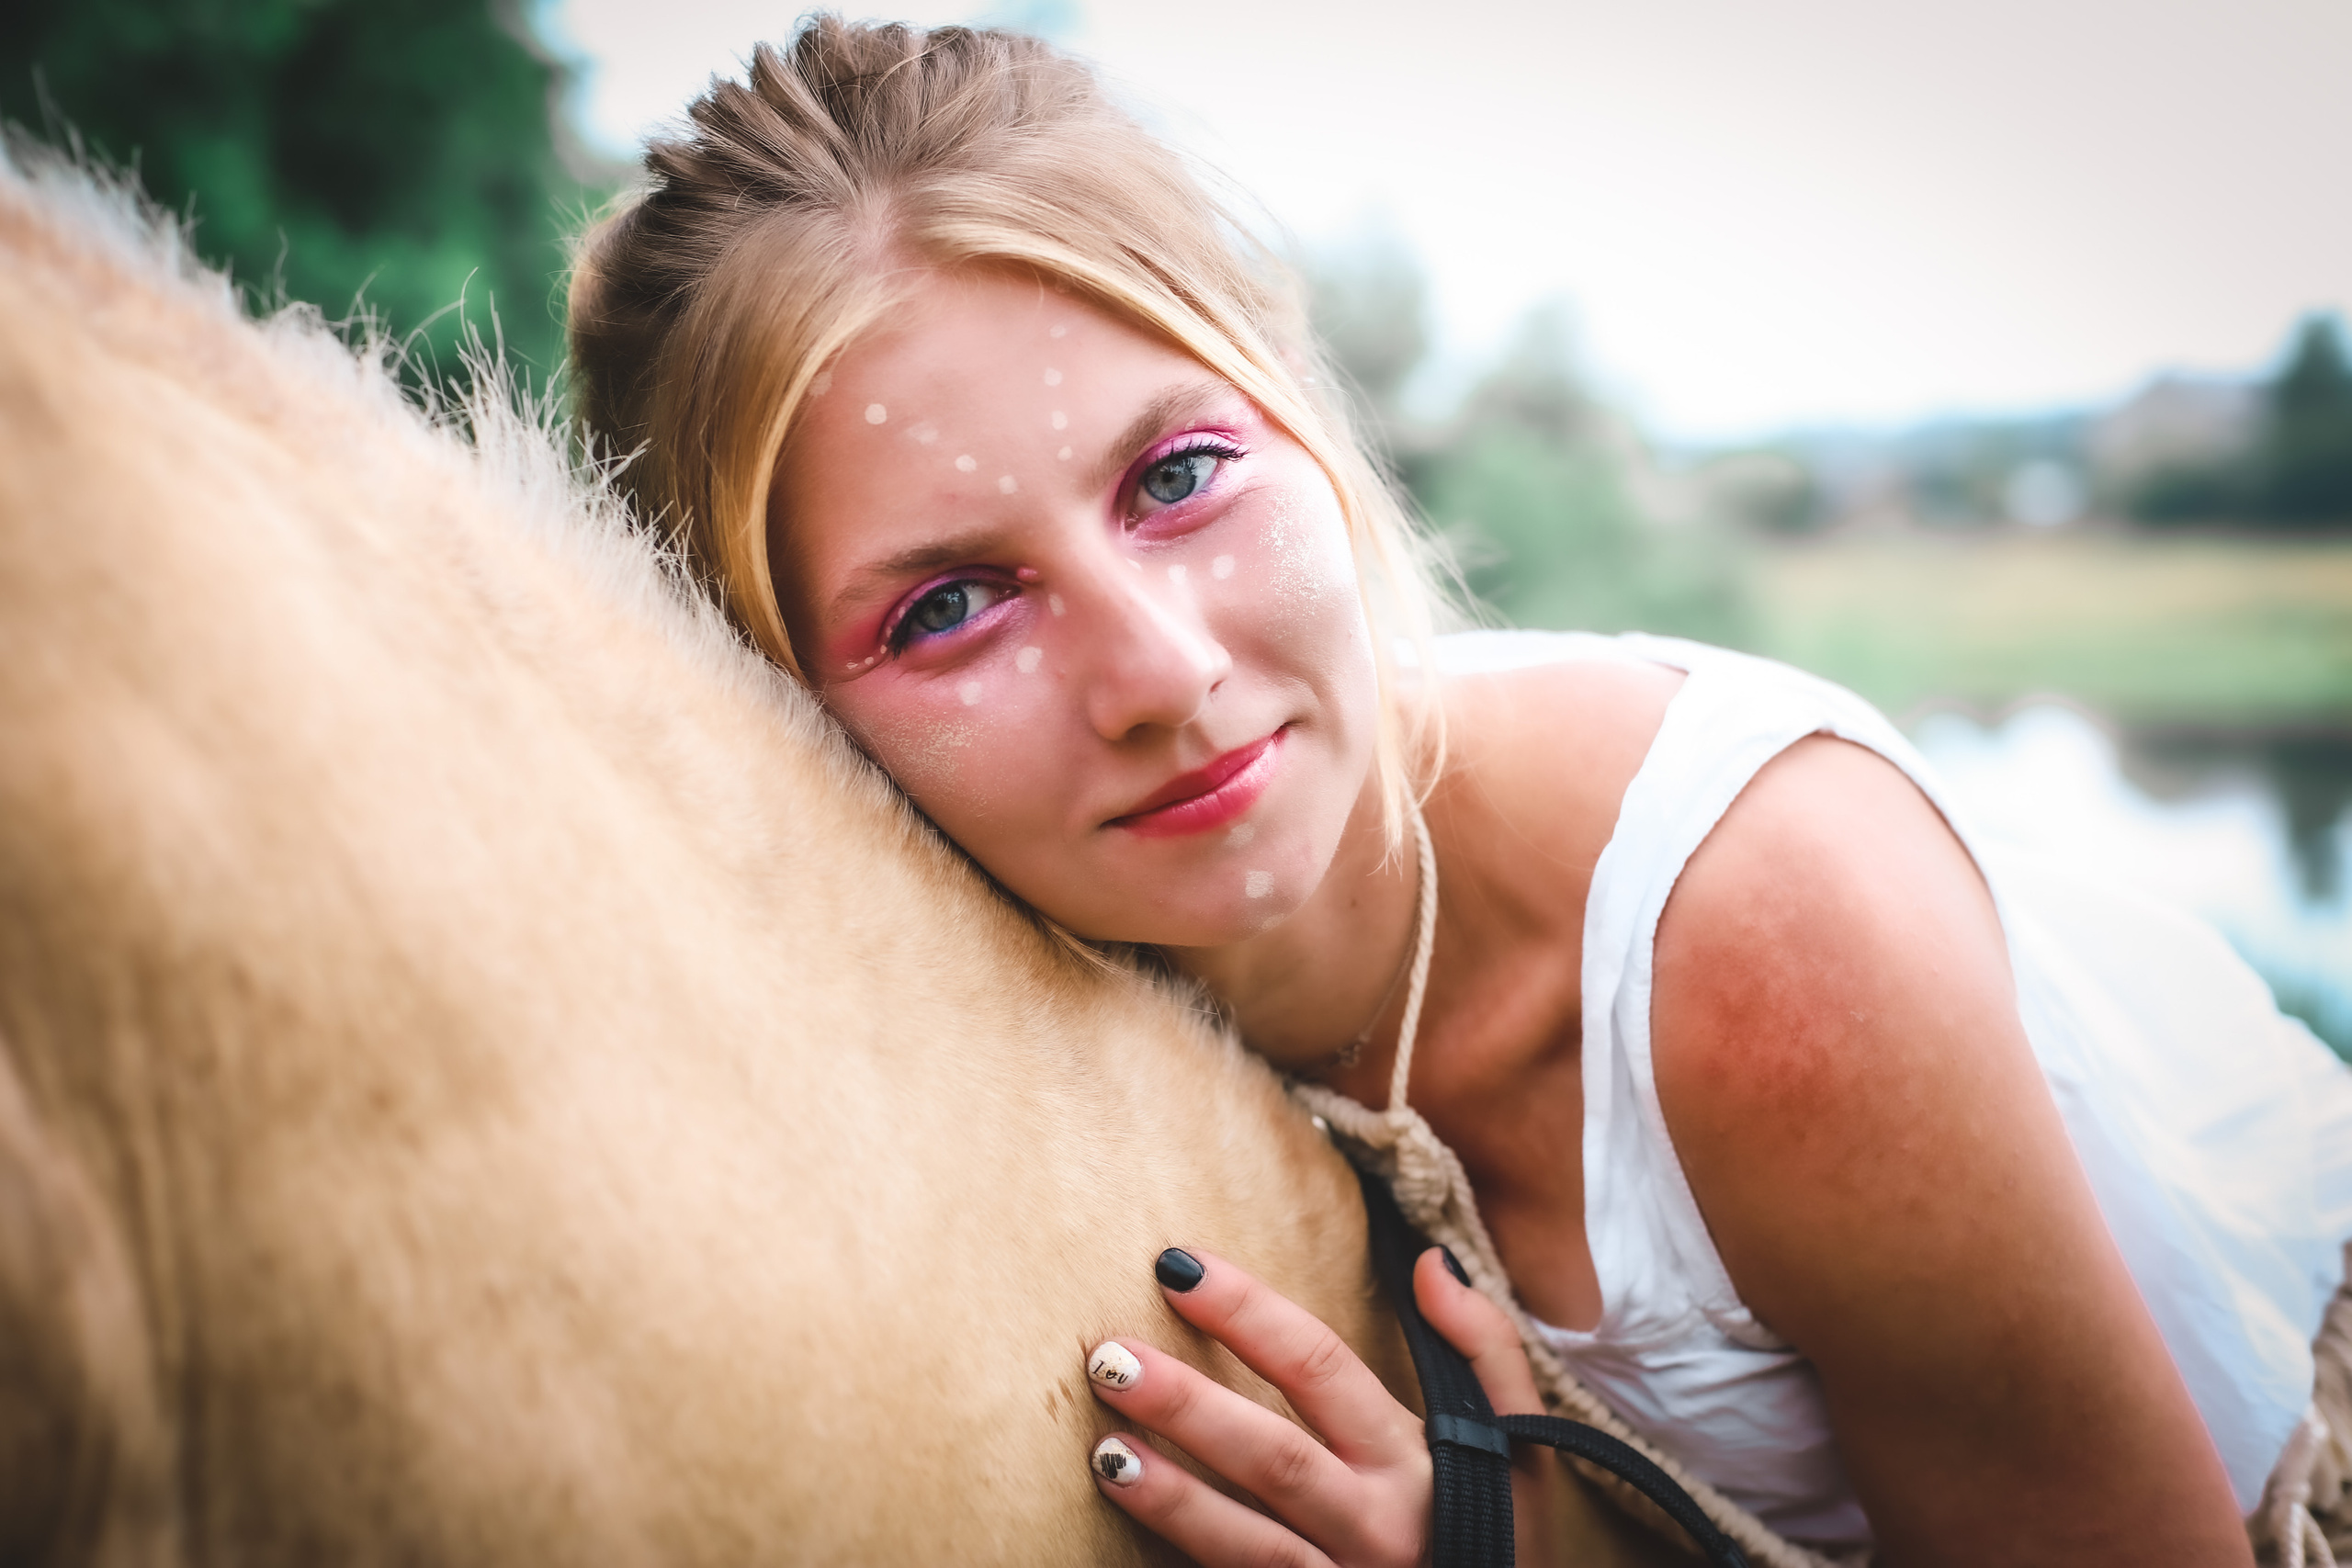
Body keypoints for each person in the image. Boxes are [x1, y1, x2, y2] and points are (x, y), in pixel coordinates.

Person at [564, 18, 2352, 1565]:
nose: (1163, 676)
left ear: (1309, 422)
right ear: (784, 708)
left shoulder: (1761, 933)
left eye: (1178, 473)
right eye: (946, 605)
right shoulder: (904, 1028)